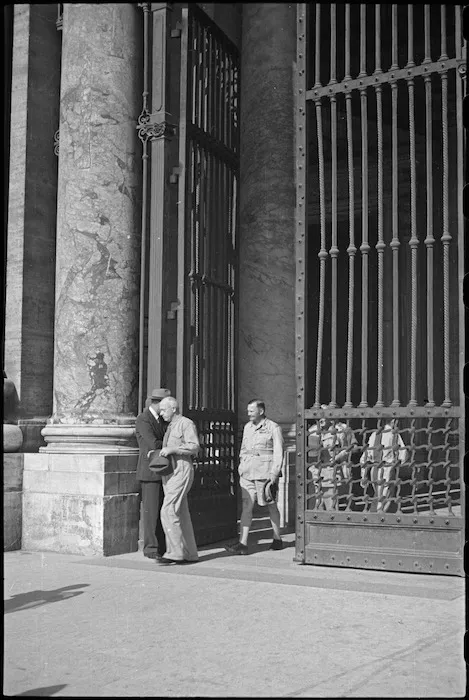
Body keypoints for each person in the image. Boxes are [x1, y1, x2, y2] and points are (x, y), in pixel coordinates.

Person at [225, 399, 284, 555]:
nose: (248, 413)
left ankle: (277, 538)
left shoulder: (273, 427)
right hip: (247, 472)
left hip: (265, 473)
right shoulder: (247, 427)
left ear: (261, 411)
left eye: (251, 410)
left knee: (271, 505)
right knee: (247, 506)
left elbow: (278, 452)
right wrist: (241, 465)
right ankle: (242, 543)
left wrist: (274, 473)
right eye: (248, 410)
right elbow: (244, 448)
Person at [157, 396, 200, 565]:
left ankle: (175, 552)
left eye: (163, 410)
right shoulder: (171, 426)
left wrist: (173, 449)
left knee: (167, 511)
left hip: (181, 469)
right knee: (180, 512)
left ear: (173, 408)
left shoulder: (185, 423)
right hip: (171, 471)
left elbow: (194, 446)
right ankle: (190, 553)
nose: (161, 413)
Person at [135, 387, 171, 560]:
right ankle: (150, 548)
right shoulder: (143, 419)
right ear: (156, 403)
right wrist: (171, 445)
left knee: (162, 510)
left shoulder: (163, 420)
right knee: (151, 512)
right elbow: (152, 443)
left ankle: (162, 546)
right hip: (150, 471)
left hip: (163, 469)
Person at [307, 407, 358, 510]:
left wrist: (341, 455)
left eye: (323, 415)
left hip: (336, 471)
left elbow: (355, 447)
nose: (320, 419)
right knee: (317, 507)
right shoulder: (312, 430)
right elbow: (310, 454)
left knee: (333, 505)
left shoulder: (343, 429)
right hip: (316, 472)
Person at [360, 419, 407, 512]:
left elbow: (366, 456)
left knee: (378, 492)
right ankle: (380, 514)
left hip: (374, 468)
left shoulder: (374, 434)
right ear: (393, 421)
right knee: (385, 494)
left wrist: (363, 475)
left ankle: (380, 512)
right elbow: (403, 452)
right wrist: (399, 464)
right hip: (387, 467)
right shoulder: (394, 434)